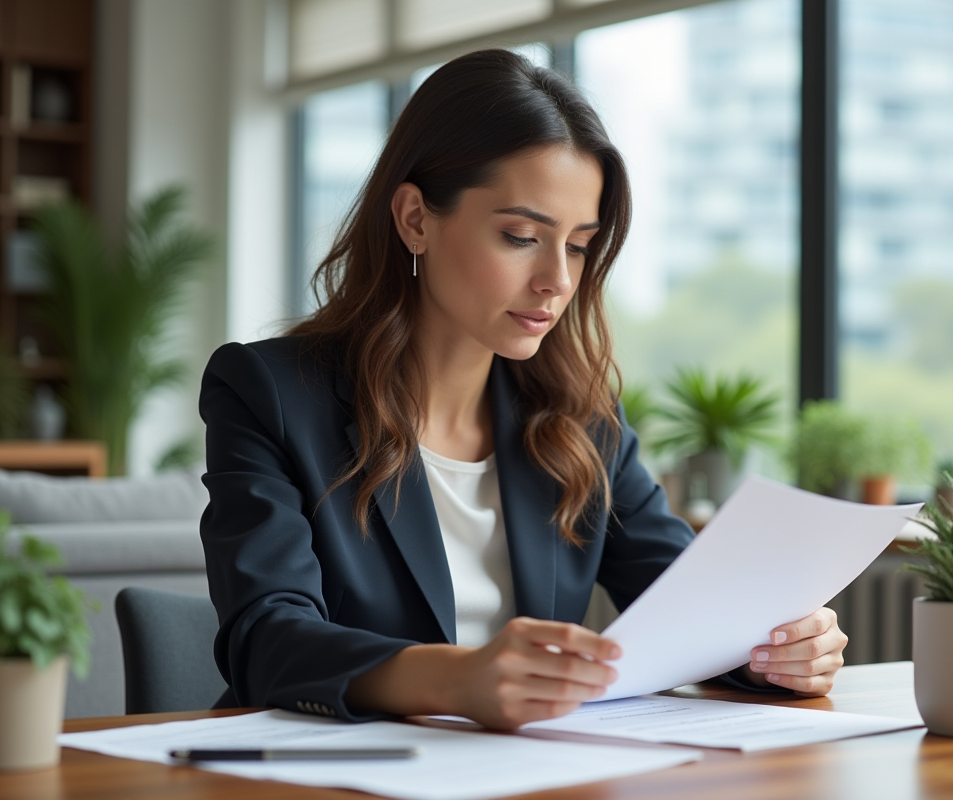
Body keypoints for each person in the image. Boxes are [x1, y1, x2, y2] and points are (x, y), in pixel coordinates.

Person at [199, 49, 848, 730]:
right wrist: (457, 680)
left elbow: (688, 604)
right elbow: (265, 640)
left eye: (576, 246)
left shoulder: (580, 419)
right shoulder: (269, 393)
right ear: (416, 218)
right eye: (520, 236)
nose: (557, 281)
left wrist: (778, 650)